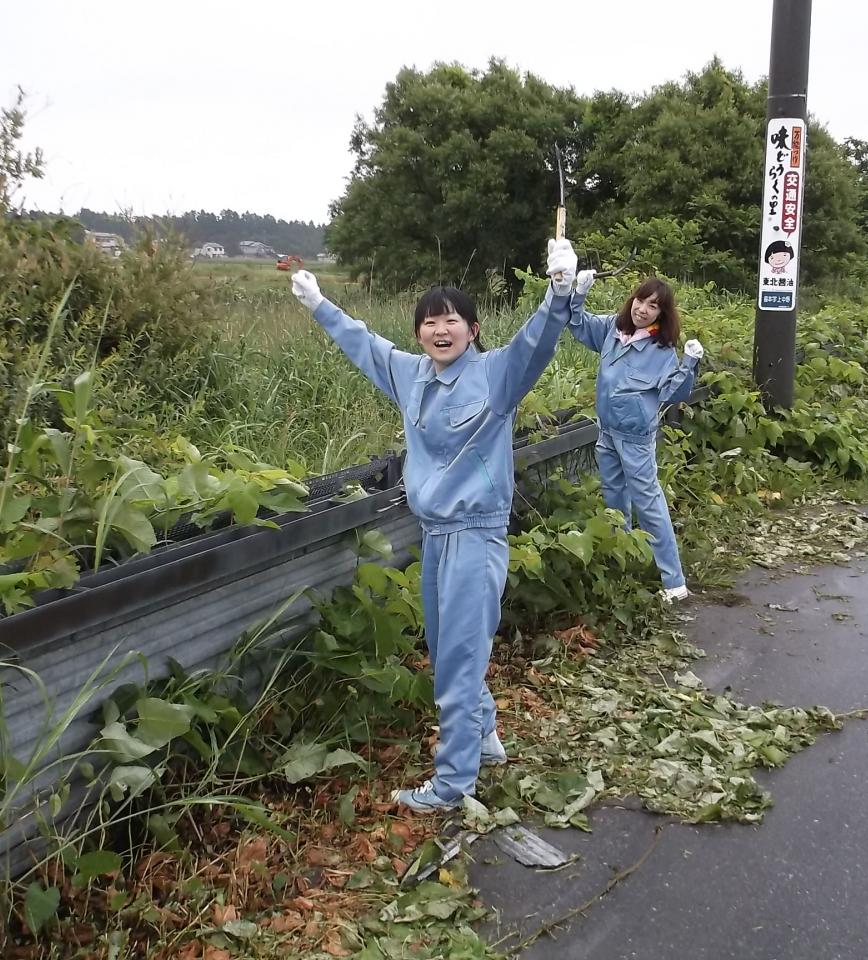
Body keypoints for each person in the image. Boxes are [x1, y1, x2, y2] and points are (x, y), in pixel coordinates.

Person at [289, 239, 579, 812]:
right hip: (435, 537)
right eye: (428, 322)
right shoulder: (410, 374)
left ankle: (452, 784)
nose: (439, 330)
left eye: (451, 320)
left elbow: (533, 345)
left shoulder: (495, 375)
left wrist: (559, 293)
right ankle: (486, 740)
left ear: (472, 329)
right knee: (449, 647)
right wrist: (321, 305)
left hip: (476, 535)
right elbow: (365, 347)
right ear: (418, 331)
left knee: (461, 659)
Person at [568, 270, 703, 601]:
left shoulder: (661, 350)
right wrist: (578, 293)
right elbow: (577, 324)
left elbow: (674, 392)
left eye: (653, 306)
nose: (643, 309)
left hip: (636, 438)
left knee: (648, 502)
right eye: (641, 300)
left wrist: (689, 363)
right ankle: (623, 561)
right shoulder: (612, 329)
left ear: (662, 314)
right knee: (614, 497)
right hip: (607, 431)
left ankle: (674, 582)